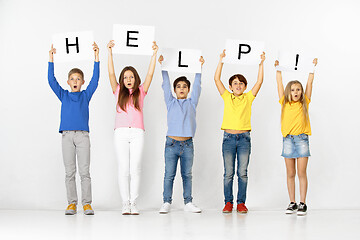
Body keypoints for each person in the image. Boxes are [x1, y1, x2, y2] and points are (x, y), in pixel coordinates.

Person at [48, 42, 100, 215]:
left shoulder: (86, 95)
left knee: (85, 172)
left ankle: (87, 204)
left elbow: (96, 79)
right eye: (72, 79)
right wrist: (51, 59)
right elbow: (51, 80)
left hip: (83, 136)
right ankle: (72, 203)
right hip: (67, 136)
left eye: (78, 78)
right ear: (68, 82)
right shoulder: (63, 95)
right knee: (70, 172)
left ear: (82, 82)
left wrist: (96, 57)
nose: (75, 81)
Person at [107, 40, 158, 215]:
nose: (128, 80)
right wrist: (110, 53)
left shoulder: (141, 91)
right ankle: (125, 203)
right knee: (123, 168)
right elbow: (111, 73)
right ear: (122, 80)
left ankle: (133, 203)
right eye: (126, 77)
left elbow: (150, 75)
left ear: (136, 79)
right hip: (120, 132)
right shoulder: (118, 91)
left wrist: (154, 55)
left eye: (131, 77)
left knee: (135, 167)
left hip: (137, 132)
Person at [214, 49, 265, 213]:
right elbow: (216, 79)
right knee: (228, 173)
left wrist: (261, 64)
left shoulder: (248, 98)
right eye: (235, 83)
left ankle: (241, 203)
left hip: (244, 139)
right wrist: (221, 60)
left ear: (245, 86)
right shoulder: (227, 97)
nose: (238, 85)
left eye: (241, 83)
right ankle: (228, 202)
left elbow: (260, 81)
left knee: (242, 173)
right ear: (230, 86)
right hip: (228, 138)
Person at [158, 55, 205, 214]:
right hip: (171, 144)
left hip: (187, 145)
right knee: (169, 175)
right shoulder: (171, 102)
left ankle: (188, 202)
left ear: (188, 89)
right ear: (175, 89)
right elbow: (165, 85)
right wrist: (163, 66)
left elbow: (198, 85)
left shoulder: (192, 102)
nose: (182, 88)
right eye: (178, 86)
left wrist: (199, 69)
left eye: (184, 86)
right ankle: (166, 202)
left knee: (187, 175)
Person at [275, 58, 318, 216]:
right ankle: (292, 202)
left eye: (298, 89)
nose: (296, 92)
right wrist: (278, 69)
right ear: (289, 92)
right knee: (290, 173)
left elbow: (310, 84)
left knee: (301, 172)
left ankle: (303, 203)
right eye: (293, 90)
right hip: (288, 140)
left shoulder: (304, 102)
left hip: (301, 140)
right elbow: (279, 83)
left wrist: (312, 68)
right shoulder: (284, 103)